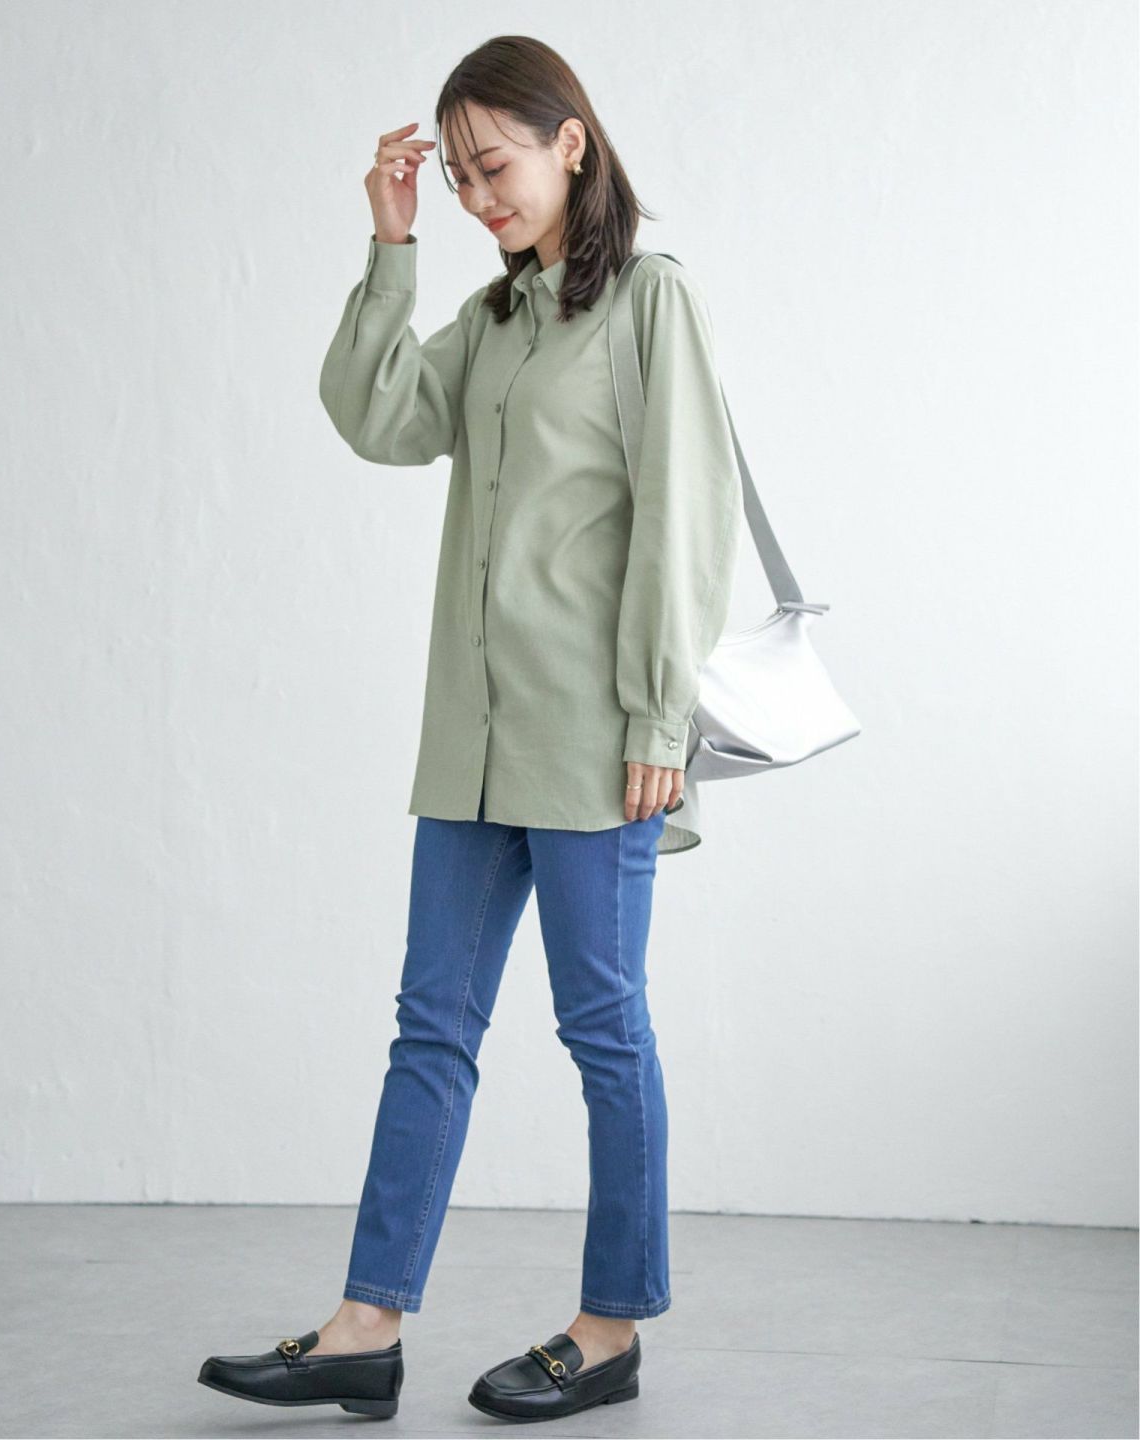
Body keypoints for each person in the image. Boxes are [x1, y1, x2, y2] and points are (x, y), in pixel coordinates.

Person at [198, 34, 741, 1425]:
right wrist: (390, 245)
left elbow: (686, 519)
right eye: (455, 178)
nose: (476, 196)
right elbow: (376, 414)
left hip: (597, 744)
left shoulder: (650, 303)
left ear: (572, 143)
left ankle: (609, 1329)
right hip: (472, 742)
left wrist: (658, 714)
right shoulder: (492, 319)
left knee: (603, 1032)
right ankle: (366, 1328)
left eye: (492, 166)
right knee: (428, 1030)